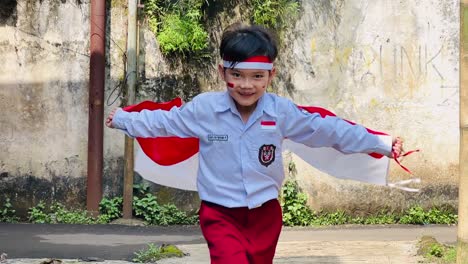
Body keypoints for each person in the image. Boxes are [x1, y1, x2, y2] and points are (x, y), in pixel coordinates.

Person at [105, 23, 403, 264]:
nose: (247, 85)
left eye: (257, 76)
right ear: (223, 72)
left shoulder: (281, 112)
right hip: (219, 214)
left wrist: (381, 143)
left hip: (265, 215)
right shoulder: (205, 110)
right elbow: (164, 122)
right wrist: (123, 119)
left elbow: (328, 130)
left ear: (271, 75)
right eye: (237, 75)